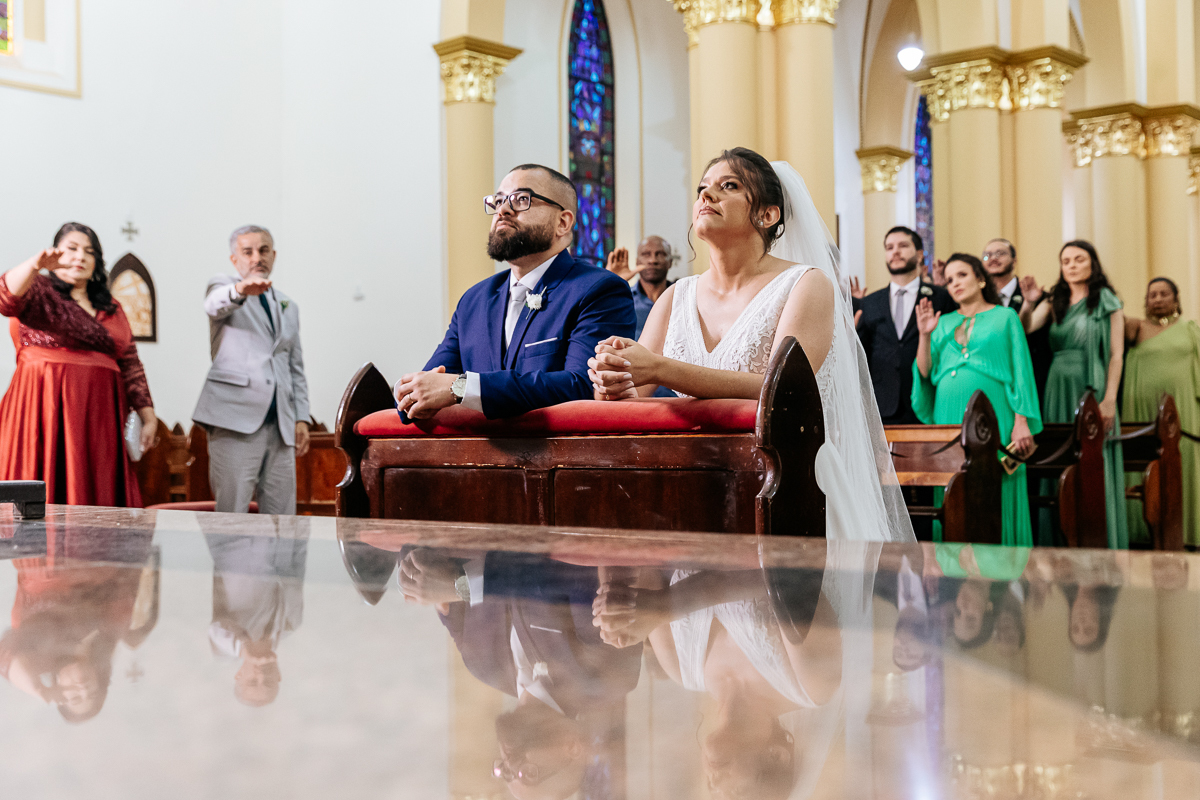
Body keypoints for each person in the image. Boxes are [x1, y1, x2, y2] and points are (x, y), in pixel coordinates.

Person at [588, 147, 914, 542]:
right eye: (702, 188)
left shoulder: (805, 284)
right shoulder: (674, 298)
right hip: (691, 483)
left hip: (786, 480)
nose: (706, 196)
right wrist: (610, 377)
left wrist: (658, 368)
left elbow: (786, 387)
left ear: (767, 214)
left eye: (728, 186)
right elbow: (628, 404)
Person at [395, 164, 635, 421]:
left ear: (563, 222)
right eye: (498, 201)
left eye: (521, 199)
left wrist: (462, 388)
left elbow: (584, 386)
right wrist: (409, 392)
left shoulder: (599, 290)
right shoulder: (473, 301)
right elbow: (427, 392)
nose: (503, 210)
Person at [0, 223, 157, 507]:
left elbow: (131, 362)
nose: (80, 257)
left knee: (97, 490)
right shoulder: (37, 290)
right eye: (71, 248)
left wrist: (148, 415)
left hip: (100, 414)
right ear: (55, 253)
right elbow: (4, 297)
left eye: (89, 251)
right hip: (43, 403)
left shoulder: (111, 306)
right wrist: (35, 264)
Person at [913, 253, 1041, 545]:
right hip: (948, 414)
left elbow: (1020, 371)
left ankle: (1005, 567)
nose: (955, 283)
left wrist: (1021, 421)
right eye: (949, 280)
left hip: (995, 413)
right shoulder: (940, 323)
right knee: (952, 483)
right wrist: (923, 335)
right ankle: (951, 566)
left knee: (998, 482)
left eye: (962, 275)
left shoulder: (1005, 317)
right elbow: (925, 372)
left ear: (980, 278)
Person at [192, 225, 311, 515]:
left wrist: (301, 417)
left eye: (264, 250)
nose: (257, 257)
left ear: (274, 255)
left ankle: (283, 563)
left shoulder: (288, 306)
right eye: (248, 252)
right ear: (235, 259)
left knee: (284, 519)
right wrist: (239, 289)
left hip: (281, 423)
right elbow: (213, 305)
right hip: (234, 418)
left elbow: (295, 366)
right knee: (232, 514)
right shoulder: (224, 288)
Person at [1022, 241, 1128, 549]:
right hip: (1058, 383)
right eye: (1065, 260)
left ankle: (1097, 534)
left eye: (1078, 259)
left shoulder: (1107, 300)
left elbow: (1116, 355)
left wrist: (1109, 399)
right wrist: (1029, 303)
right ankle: (1059, 537)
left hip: (1091, 383)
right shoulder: (1055, 299)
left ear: (1092, 264)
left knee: (1093, 457)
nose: (1071, 265)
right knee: (1060, 456)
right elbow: (1023, 329)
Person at [1122, 277, 1200, 546]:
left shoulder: (1190, 329)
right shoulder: (1135, 327)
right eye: (1151, 295)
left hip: (1183, 408)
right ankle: (1143, 534)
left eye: (1163, 294)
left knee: (1185, 462)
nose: (1157, 299)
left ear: (1176, 299)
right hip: (1141, 409)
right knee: (1145, 466)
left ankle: (1189, 532)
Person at [855, 226, 956, 424]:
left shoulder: (941, 297)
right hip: (882, 405)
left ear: (919, 255)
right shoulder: (871, 302)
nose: (895, 252)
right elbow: (861, 355)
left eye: (903, 246)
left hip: (927, 398)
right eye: (889, 247)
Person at [204, 517, 309, 707]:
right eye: (267, 682)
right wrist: (299, 526)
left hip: (238, 534)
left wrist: (245, 649)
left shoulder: (225, 647)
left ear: (239, 675)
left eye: (253, 681)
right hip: (283, 528)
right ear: (278, 675)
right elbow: (296, 568)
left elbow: (217, 629)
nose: (261, 675)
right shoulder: (292, 624)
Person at [983, 237, 1051, 398]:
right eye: (987, 255)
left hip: (1028, 378)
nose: (993, 258)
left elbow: (1023, 331)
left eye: (1000, 253)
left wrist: (1029, 303)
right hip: (990, 378)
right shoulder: (979, 299)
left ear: (1014, 261)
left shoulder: (1039, 298)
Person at [606, 235, 675, 338]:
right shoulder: (622, 299)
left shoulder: (683, 298)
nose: (652, 260)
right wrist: (610, 285)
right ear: (637, 261)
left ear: (670, 262)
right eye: (646, 254)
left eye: (660, 254)